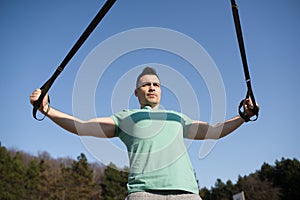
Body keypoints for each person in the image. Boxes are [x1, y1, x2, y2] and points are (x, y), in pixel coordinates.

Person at [30, 67, 257, 200]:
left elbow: (214, 131)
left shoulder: (177, 118)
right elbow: (83, 126)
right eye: (146, 84)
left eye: (156, 84)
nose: (151, 87)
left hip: (186, 194)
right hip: (143, 194)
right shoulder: (126, 117)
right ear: (136, 92)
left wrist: (244, 116)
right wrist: (48, 110)